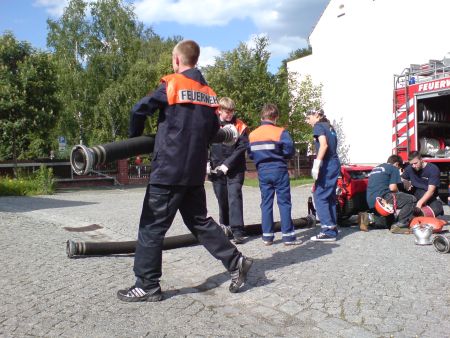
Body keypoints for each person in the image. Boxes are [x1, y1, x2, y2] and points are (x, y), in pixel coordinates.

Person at [117, 40, 253, 302]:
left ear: (177, 60)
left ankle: (147, 285)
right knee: (199, 222)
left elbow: (138, 109)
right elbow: (213, 133)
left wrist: (134, 140)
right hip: (193, 172)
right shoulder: (209, 94)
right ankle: (236, 262)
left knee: (151, 226)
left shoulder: (172, 84)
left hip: (168, 169)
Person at [248, 103, 299, 246]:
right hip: (279, 169)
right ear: (275, 117)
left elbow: (250, 154)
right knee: (284, 202)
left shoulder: (253, 134)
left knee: (266, 203)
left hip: (263, 171)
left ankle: (267, 237)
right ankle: (288, 237)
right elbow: (289, 151)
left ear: (262, 116)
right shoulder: (280, 132)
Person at [208, 97, 248, 244]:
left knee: (234, 197)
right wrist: (207, 163)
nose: (230, 115)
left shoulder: (240, 125)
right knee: (222, 199)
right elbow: (205, 144)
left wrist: (228, 165)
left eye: (232, 112)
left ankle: (238, 231)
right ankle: (225, 227)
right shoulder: (212, 124)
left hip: (235, 169)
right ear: (219, 110)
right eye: (227, 112)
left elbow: (242, 147)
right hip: (216, 168)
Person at [305, 109, 340, 242]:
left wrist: (317, 164)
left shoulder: (318, 126)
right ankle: (332, 227)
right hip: (334, 162)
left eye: (308, 118)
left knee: (319, 195)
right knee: (329, 196)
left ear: (316, 115)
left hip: (327, 164)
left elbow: (324, 145)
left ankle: (328, 231)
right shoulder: (329, 127)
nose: (307, 121)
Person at [365, 154, 417, 233]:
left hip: (370, 200)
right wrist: (400, 194)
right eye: (399, 168)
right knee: (411, 199)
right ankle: (400, 225)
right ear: (396, 164)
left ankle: (366, 218)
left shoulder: (376, 168)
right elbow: (392, 188)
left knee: (388, 223)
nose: (399, 170)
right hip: (383, 198)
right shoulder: (393, 168)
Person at [401, 151, 444, 217]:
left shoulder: (433, 169)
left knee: (437, 208)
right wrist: (405, 181)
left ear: (421, 160)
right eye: (411, 164)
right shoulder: (410, 168)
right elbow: (401, 178)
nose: (413, 166)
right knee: (399, 185)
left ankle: (418, 214)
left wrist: (419, 203)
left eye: (415, 163)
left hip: (427, 194)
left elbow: (431, 191)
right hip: (414, 192)